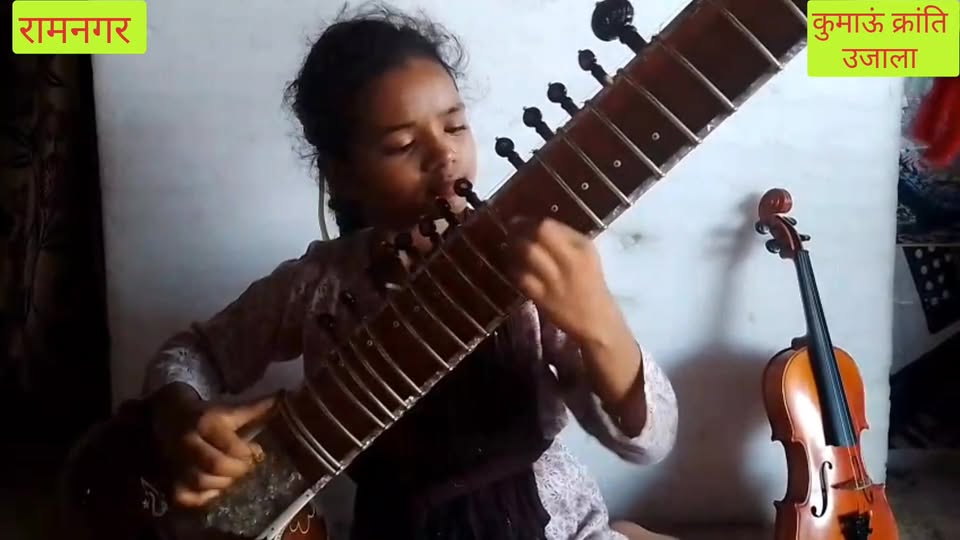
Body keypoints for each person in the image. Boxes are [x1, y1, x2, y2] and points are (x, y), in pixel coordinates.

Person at [143, 4, 679, 540]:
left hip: (556, 525)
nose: (444, 154)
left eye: (455, 125)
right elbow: (191, 353)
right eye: (402, 144)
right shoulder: (318, 285)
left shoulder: (528, 262)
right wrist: (181, 417)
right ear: (342, 174)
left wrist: (601, 324)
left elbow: (647, 444)